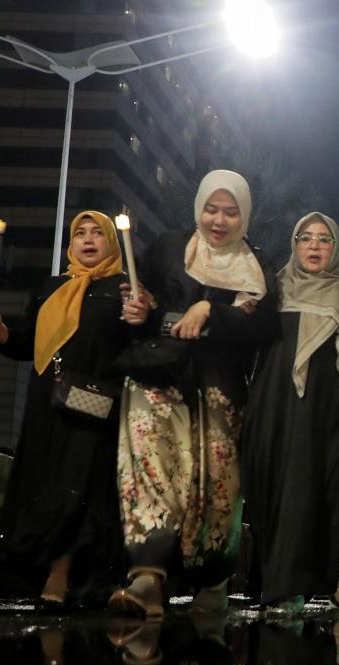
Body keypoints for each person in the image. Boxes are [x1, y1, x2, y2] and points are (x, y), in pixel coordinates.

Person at [111, 169, 277, 617]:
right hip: (159, 375)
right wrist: (138, 308)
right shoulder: (168, 246)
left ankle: (213, 578)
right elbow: (136, 297)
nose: (218, 220)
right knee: (151, 465)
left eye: (230, 211)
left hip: (221, 387)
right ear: (198, 207)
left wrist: (211, 310)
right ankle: (147, 575)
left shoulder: (258, 264)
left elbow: (264, 325)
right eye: (211, 208)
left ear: (244, 216)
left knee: (218, 482)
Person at [0, 210, 136, 607]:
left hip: (94, 405)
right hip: (47, 406)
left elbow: (137, 344)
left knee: (77, 484)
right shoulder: (51, 287)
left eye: (96, 233)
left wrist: (141, 314)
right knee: (45, 482)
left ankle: (62, 572)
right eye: (79, 233)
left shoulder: (125, 288)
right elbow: (28, 345)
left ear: (111, 243)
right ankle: (32, 571)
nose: (87, 240)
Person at [241, 212, 339, 612]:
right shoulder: (274, 288)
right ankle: (273, 576)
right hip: (273, 403)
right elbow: (245, 336)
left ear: (335, 248)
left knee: (309, 489)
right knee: (269, 485)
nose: (314, 246)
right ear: (294, 244)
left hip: (322, 411)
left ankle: (292, 581)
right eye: (305, 238)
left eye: (324, 239)